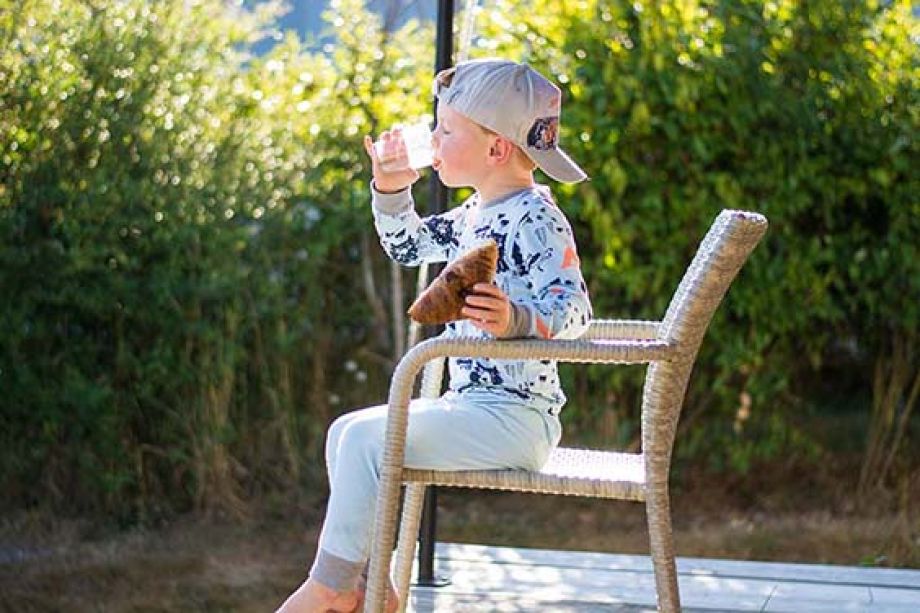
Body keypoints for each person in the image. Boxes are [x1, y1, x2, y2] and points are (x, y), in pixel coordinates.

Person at [276, 58, 592, 613]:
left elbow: (576, 310)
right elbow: (407, 247)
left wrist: (517, 318)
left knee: (364, 440)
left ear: (496, 150)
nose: (433, 141)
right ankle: (373, 586)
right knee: (345, 432)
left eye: (445, 130)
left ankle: (331, 588)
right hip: (473, 408)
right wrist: (391, 189)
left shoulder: (536, 219)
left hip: (520, 419)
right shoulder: (475, 214)